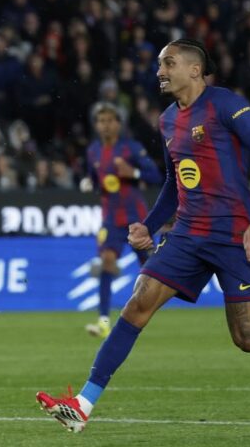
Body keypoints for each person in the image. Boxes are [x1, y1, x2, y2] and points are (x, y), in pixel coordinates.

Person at [37, 39, 250, 433]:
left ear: (194, 70)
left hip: (234, 233)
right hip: (187, 232)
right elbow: (173, 182)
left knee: (249, 338)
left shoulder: (226, 104)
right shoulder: (167, 120)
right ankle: (82, 404)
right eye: (159, 64)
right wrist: (148, 225)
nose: (159, 71)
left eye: (168, 63)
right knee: (137, 304)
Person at [80, 101, 162, 338]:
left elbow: (155, 175)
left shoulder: (131, 148)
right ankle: (104, 321)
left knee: (150, 269)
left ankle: (147, 310)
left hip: (136, 219)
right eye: (101, 121)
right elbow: (96, 181)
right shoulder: (93, 151)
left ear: (118, 123)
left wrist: (133, 172)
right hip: (110, 219)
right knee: (106, 261)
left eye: (109, 121)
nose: (105, 125)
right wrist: (90, 183)